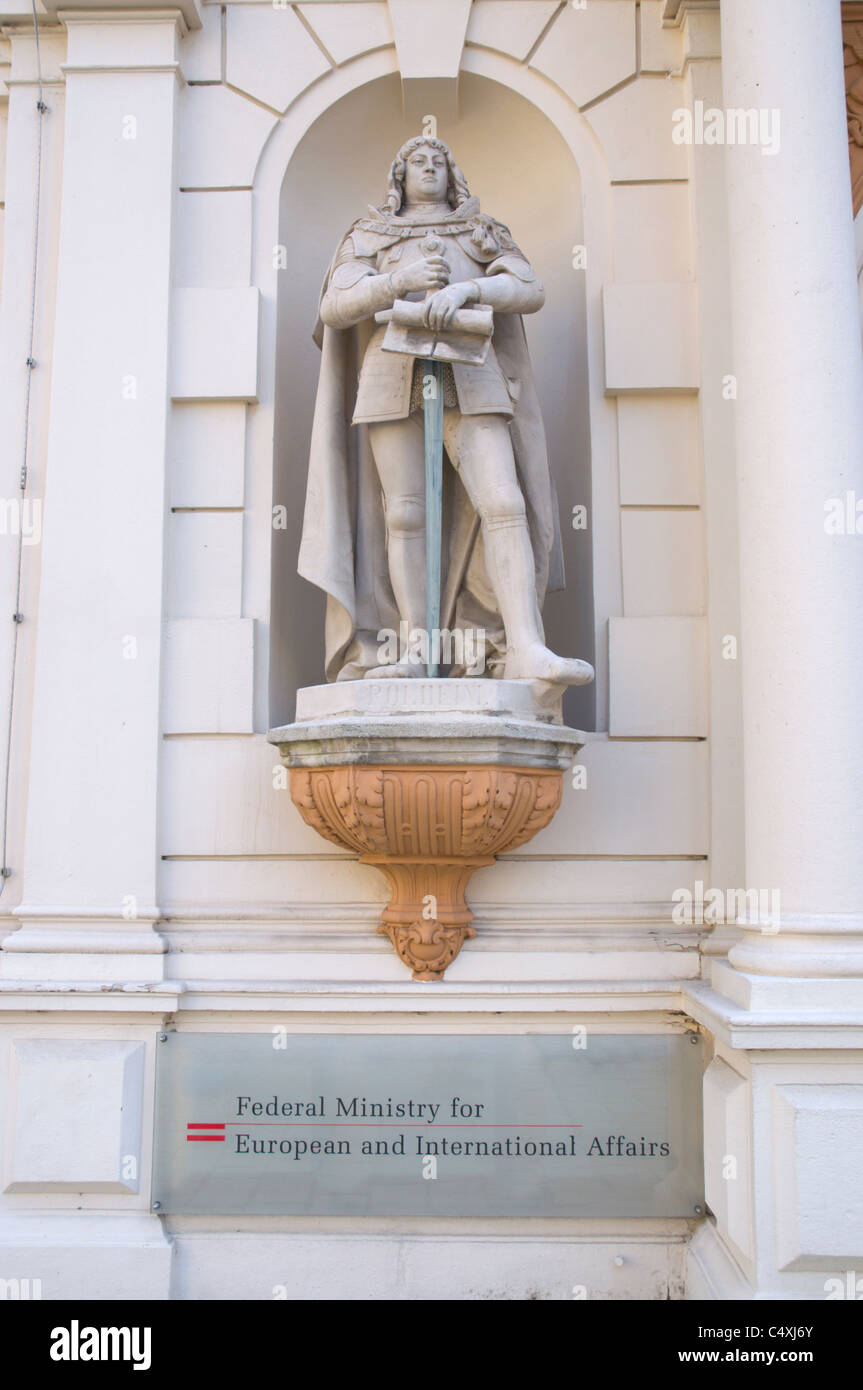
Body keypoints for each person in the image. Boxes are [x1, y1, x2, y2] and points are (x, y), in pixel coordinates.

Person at [298, 135, 594, 688]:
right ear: (399, 175)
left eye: (438, 161)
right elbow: (335, 306)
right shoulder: (370, 235)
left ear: (452, 173)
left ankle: (526, 646)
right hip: (392, 374)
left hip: (471, 367)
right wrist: (398, 283)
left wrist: (467, 291)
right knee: (404, 512)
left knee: (503, 500)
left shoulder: (480, 230)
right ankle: (413, 649)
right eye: (417, 160)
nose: (429, 167)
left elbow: (529, 287)